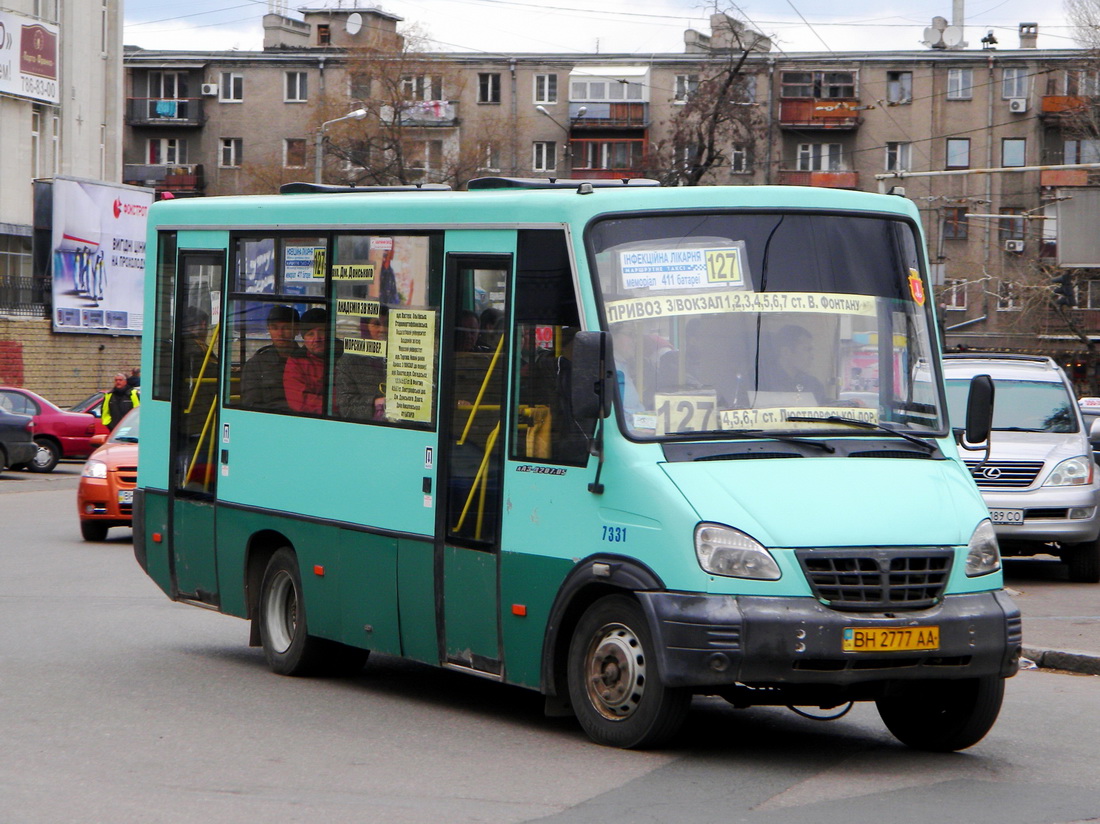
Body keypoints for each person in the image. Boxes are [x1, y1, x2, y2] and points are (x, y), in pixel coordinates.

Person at [241, 305, 301, 411]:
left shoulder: (308, 361)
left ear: (297, 330)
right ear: (269, 329)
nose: (280, 334)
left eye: (286, 328)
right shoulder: (256, 364)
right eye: (274, 328)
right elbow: (250, 404)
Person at [334, 305, 388, 421]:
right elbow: (345, 408)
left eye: (387, 324)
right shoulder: (350, 361)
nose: (383, 329)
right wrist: (376, 403)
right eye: (376, 324)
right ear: (365, 327)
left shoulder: (402, 356)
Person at [284, 307, 336, 414]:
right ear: (304, 339)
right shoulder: (296, 361)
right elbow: (299, 401)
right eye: (310, 334)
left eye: (321, 332)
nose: (317, 339)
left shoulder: (345, 356)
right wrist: (335, 406)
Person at [762, 324, 825, 403]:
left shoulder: (813, 385)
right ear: (786, 352)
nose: (812, 357)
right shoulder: (761, 382)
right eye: (807, 350)